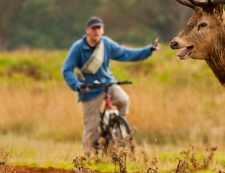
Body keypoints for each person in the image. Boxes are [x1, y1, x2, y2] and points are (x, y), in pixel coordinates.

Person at [62, 16, 160, 157]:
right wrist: (77, 85)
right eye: (93, 28)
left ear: (102, 30)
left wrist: (148, 50)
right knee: (91, 129)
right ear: (87, 31)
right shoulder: (78, 48)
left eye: (99, 28)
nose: (96, 31)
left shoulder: (106, 43)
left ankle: (119, 127)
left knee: (124, 99)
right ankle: (88, 157)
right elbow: (66, 70)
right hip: (89, 90)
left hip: (108, 83)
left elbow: (126, 53)